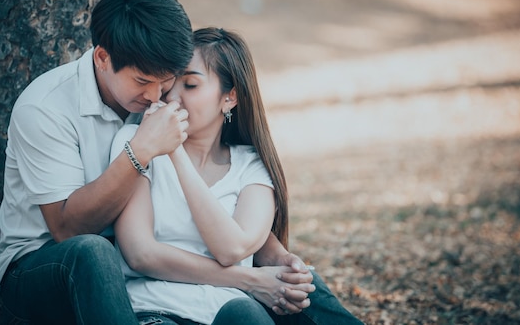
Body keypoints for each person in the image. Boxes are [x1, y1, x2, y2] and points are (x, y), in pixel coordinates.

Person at [0, 0, 316, 325]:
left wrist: (274, 255)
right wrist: (141, 150)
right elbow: (68, 230)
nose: (156, 95)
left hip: (129, 266)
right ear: (103, 59)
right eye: (142, 81)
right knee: (93, 252)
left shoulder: (151, 100)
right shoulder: (45, 108)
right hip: (42, 265)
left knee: (300, 284)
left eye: (167, 81)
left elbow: (229, 206)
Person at [112, 27, 364, 325]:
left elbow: (231, 247)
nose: (172, 98)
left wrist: (285, 271)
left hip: (233, 309)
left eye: (190, 85)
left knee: (305, 285)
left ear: (229, 98)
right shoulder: (138, 141)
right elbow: (140, 254)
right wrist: (173, 150)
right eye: (170, 83)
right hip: (157, 309)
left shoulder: (251, 166)